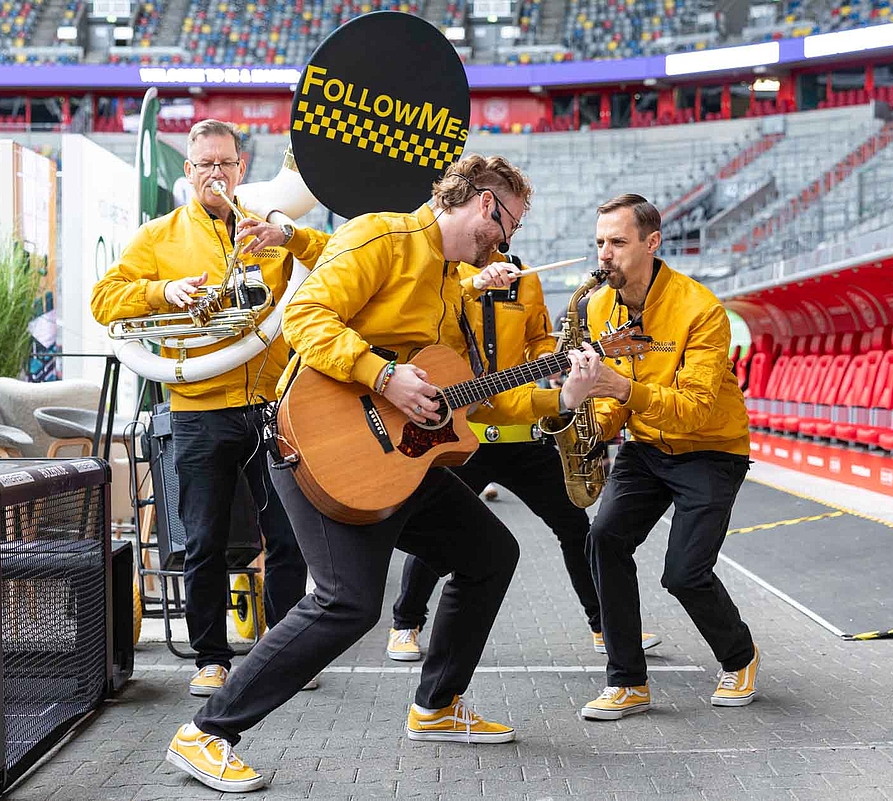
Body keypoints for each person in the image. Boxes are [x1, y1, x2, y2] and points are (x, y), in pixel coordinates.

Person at [165, 155, 557, 793]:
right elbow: (305, 317)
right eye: (509, 224)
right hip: (320, 445)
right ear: (487, 204)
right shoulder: (383, 235)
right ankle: (205, 733)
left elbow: (470, 398)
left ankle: (435, 708)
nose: (506, 242)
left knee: (490, 554)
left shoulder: (452, 283)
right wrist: (384, 375)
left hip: (397, 460)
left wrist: (562, 397)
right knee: (346, 602)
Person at [90, 119, 331, 697]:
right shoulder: (159, 236)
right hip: (198, 408)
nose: (216, 173)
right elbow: (103, 299)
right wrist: (163, 292)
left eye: (225, 163)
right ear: (189, 171)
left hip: (271, 405)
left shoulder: (268, 223)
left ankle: (283, 655)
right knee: (203, 541)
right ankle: (211, 658)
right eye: (205, 164)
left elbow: (335, 261)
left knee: (288, 537)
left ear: (241, 168)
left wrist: (287, 237)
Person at [385, 260, 662, 663]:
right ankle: (405, 624)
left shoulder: (527, 278)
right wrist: (474, 283)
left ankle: (606, 627)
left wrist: (553, 362)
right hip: (461, 432)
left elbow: (538, 340)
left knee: (574, 526)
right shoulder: (449, 272)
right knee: (437, 527)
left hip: (522, 430)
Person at [559, 193, 758, 721]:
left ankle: (740, 657)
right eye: (599, 243)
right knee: (603, 540)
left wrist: (622, 390)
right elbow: (612, 398)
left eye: (617, 242)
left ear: (652, 243)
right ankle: (627, 682)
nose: (605, 254)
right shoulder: (597, 307)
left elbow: (694, 410)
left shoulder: (701, 310)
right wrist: (588, 423)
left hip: (710, 449)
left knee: (685, 575)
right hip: (646, 447)